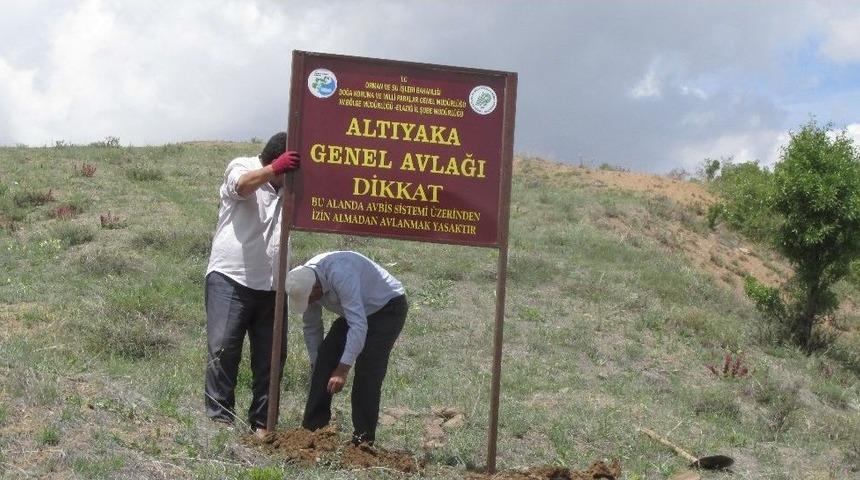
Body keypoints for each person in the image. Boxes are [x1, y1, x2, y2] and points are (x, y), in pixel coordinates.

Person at [204, 132, 300, 437]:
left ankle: (262, 425)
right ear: (276, 162)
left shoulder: (292, 186)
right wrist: (274, 171)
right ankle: (220, 421)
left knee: (271, 360)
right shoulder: (242, 165)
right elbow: (241, 187)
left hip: (273, 285)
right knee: (224, 349)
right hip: (231, 278)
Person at [286, 251, 408, 446]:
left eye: (310, 299)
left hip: (387, 307)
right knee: (324, 358)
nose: (308, 304)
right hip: (359, 310)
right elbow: (311, 327)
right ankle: (313, 431)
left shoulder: (341, 273)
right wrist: (317, 365)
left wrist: (342, 369)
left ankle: (363, 440)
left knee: (367, 371)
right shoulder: (302, 281)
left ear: (316, 288)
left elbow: (358, 325)